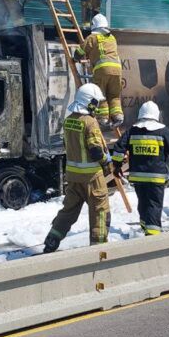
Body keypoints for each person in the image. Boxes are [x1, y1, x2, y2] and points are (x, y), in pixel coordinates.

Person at [44, 84, 112, 252]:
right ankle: (99, 248)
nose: (97, 106)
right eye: (96, 103)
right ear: (89, 102)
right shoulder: (90, 122)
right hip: (92, 178)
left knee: (69, 211)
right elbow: (96, 151)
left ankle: (52, 239)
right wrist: (107, 163)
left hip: (73, 178)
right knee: (100, 211)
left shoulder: (69, 121)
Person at [111, 101, 169, 235]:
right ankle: (152, 235)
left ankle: (145, 224)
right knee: (154, 204)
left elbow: (119, 149)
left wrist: (117, 166)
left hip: (138, 177)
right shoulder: (163, 131)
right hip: (156, 177)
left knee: (143, 202)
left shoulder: (132, 131)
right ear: (156, 115)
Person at [74, 13, 123, 127]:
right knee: (114, 95)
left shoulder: (92, 37)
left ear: (94, 26)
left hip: (102, 70)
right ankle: (118, 116)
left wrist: (75, 58)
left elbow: (81, 52)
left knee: (101, 95)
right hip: (117, 70)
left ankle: (103, 119)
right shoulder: (112, 38)